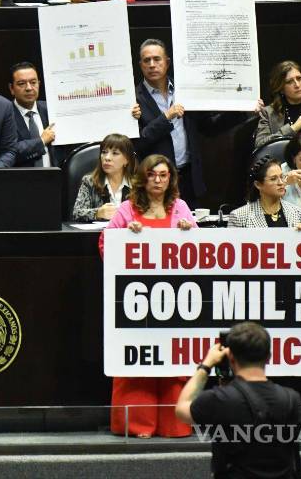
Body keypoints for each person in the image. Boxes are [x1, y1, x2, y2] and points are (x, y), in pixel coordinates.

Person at [101, 154, 196, 438]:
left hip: (176, 300)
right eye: (152, 175)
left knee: (173, 362)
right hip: (136, 301)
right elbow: (105, 242)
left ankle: (174, 423)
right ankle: (137, 423)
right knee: (138, 363)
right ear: (143, 178)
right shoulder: (128, 209)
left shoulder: (180, 207)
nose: (157, 180)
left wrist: (189, 232)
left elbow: (201, 250)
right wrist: (126, 237)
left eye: (163, 175)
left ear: (171, 179)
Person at [175, 322, 301, 479]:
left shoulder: (219, 399)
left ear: (231, 357)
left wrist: (205, 366)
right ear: (269, 357)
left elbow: (181, 409)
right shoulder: (291, 399)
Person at [132, 38, 241, 207]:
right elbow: (138, 143)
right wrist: (166, 117)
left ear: (167, 62)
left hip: (189, 178)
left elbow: (208, 127)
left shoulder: (185, 90)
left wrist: (243, 110)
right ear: (140, 65)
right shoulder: (134, 99)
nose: (152, 65)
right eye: (147, 60)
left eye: (157, 59)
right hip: (155, 181)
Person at [228, 156, 301, 229]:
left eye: (281, 177)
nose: (281, 182)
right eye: (273, 179)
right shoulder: (239, 217)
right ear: (258, 184)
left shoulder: (298, 213)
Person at [72, 134, 135, 222]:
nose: (107, 158)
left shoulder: (137, 185)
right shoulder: (90, 182)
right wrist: (97, 213)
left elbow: (148, 213)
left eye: (115, 153)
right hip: (99, 231)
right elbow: (76, 213)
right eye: (104, 152)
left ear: (127, 160)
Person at [7, 61, 57, 167]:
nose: (29, 88)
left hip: (55, 176)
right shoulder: (4, 114)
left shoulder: (51, 109)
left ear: (39, 84)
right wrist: (42, 141)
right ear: (11, 88)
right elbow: (8, 150)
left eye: (33, 82)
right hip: (22, 177)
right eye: (22, 83)